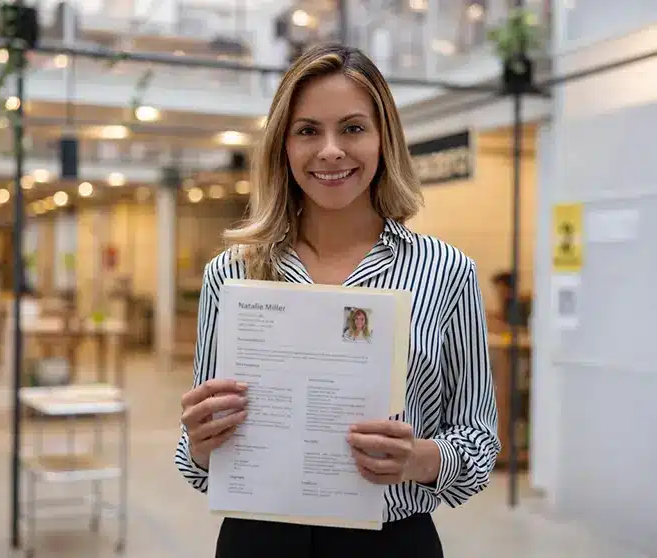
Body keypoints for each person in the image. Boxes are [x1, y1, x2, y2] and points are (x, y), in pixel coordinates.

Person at [175, 43, 500, 557]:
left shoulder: (446, 272)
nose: (330, 150)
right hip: (256, 539)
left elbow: (479, 440)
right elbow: (197, 456)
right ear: (283, 145)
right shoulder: (232, 274)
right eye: (307, 130)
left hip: (390, 542)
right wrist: (198, 444)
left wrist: (418, 458)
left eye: (352, 128)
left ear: (383, 140)